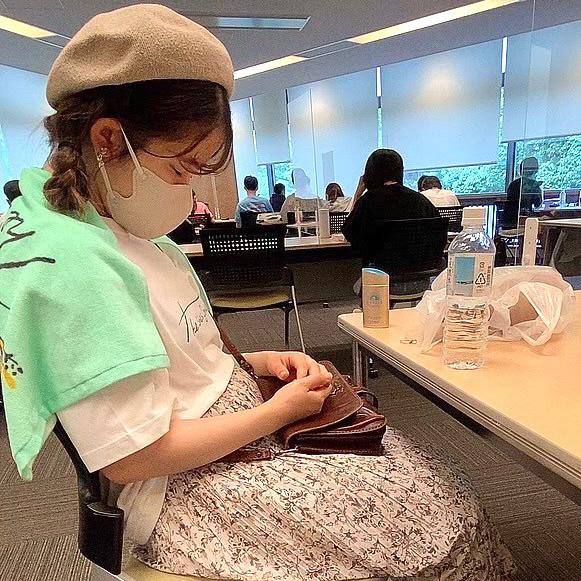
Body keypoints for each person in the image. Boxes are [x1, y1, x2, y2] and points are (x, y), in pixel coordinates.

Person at [0, 6, 513, 581]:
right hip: (178, 485)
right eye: (181, 168)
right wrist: (276, 411)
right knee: (434, 529)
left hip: (232, 428)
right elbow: (132, 455)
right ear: (108, 139)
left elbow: (180, 357)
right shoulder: (71, 268)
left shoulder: (133, 235)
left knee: (434, 482)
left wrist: (260, 362)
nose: (189, 191)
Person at [343, 149, 440, 264]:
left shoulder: (368, 201)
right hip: (421, 271)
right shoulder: (421, 200)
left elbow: (349, 234)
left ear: (370, 173)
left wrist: (357, 194)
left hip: (379, 272)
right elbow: (438, 234)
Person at [503, 157, 543, 229]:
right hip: (524, 221)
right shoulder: (533, 185)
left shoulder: (513, 184)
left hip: (508, 221)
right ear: (535, 170)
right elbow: (537, 204)